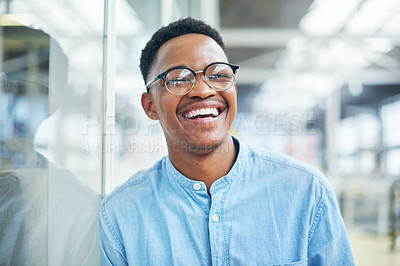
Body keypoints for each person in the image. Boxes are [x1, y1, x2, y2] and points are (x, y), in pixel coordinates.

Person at [99, 17, 355, 265]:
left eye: (218, 75)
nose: (203, 90)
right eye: (178, 79)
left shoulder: (307, 192)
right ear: (150, 105)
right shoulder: (120, 216)